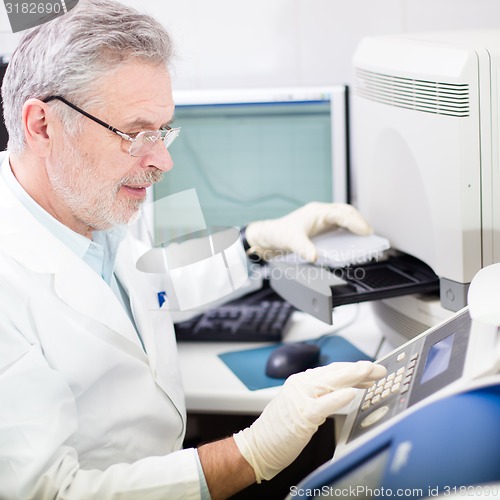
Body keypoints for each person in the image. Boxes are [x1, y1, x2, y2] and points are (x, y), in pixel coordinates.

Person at [0, 1, 386, 498]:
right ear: (42, 126)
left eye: (162, 131)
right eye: (135, 134)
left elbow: (155, 283)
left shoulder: (85, 207)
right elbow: (52, 492)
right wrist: (252, 453)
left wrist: (255, 242)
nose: (162, 159)